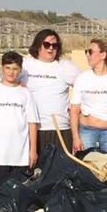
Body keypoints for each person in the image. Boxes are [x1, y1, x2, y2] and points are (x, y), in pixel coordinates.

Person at [0, 51, 39, 189]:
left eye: (15, 68)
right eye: (8, 68)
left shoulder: (26, 93)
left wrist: (33, 150)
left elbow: (31, 123)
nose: (11, 72)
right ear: (2, 68)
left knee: (18, 193)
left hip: (20, 155)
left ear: (20, 70)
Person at [22, 28, 79, 157]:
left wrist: (76, 108)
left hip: (60, 128)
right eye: (47, 44)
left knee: (61, 171)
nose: (51, 48)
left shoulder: (66, 66)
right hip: (33, 129)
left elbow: (83, 88)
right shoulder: (25, 65)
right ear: (38, 46)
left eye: (55, 45)